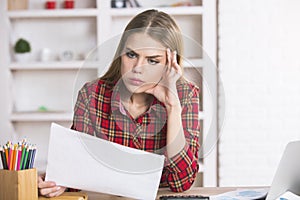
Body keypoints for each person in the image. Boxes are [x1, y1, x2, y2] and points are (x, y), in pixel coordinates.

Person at [38, 9, 200, 197]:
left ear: (170, 65)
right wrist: (58, 182)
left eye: (152, 61)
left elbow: (182, 181)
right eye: (131, 55)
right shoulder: (92, 95)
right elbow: (76, 170)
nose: (137, 68)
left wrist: (172, 107)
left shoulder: (185, 95)